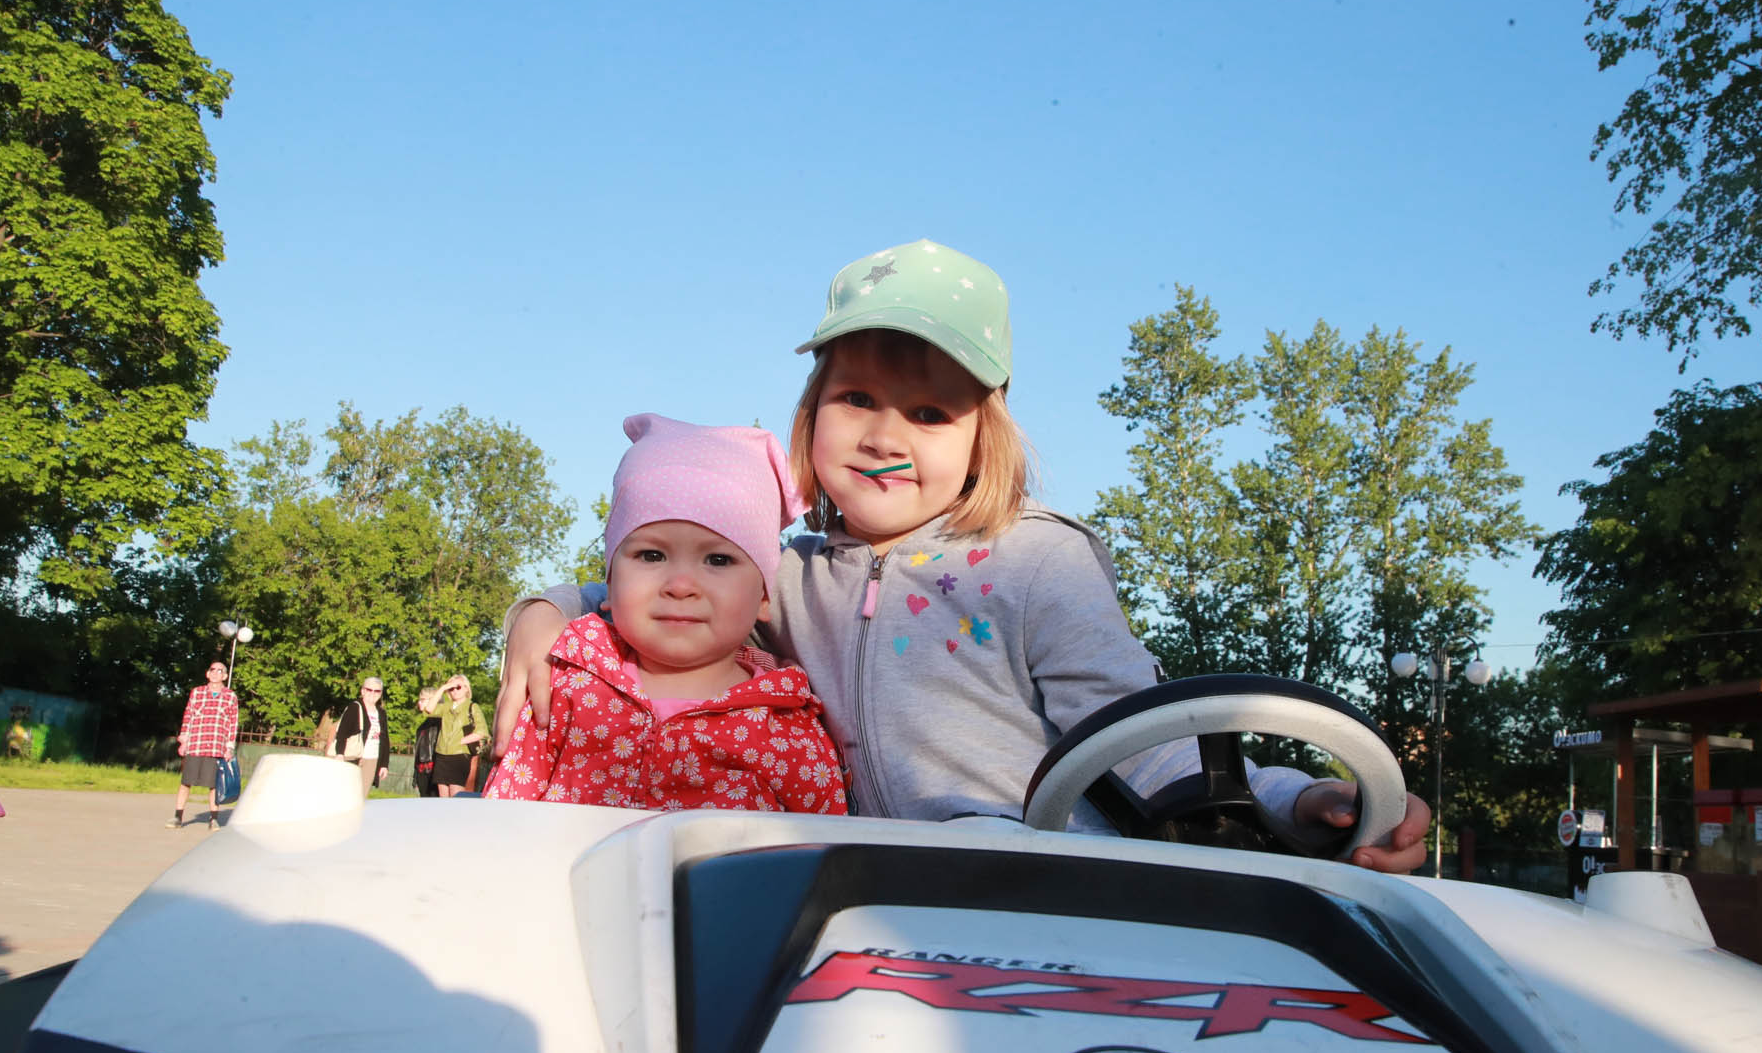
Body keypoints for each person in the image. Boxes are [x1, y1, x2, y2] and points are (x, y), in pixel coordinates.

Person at [498, 240, 1430, 867]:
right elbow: (654, 578)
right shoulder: (784, 575)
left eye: (929, 411)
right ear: (811, 415)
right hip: (870, 904)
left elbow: (1147, 742)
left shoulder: (1036, 563)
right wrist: (538, 612)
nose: (884, 434)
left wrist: (1291, 800)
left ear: (984, 437)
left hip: (1036, 883)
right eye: (856, 398)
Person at [485, 415, 847, 813]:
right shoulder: (565, 685)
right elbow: (501, 823)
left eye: (718, 560)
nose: (680, 585)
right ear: (610, 583)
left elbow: (824, 846)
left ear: (764, 596)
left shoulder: (787, 728)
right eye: (651, 555)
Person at [173, 659, 238, 828]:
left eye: (220, 670)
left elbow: (233, 723)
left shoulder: (230, 696)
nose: (215, 673)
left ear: (225, 676)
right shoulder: (197, 693)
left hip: (216, 746)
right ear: (207, 673)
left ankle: (213, 818)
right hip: (196, 744)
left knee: (214, 785)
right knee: (186, 782)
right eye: (212, 669)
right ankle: (177, 817)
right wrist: (184, 741)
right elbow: (188, 716)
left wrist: (229, 747)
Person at [420, 675, 489, 797]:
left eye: (458, 687)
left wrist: (461, 741)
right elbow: (428, 709)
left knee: (456, 796)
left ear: (466, 688)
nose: (455, 691)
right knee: (443, 798)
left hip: (459, 756)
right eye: (451, 688)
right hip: (442, 755)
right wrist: (443, 688)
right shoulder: (446, 706)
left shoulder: (472, 706)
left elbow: (482, 731)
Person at [327, 676, 392, 795]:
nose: (372, 693)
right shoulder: (354, 708)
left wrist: (384, 764)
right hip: (352, 757)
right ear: (363, 691)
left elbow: (385, 739)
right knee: (346, 793)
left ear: (380, 693)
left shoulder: (381, 712)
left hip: (372, 758)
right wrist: (340, 754)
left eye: (377, 691)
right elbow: (342, 733)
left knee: (362, 795)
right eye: (369, 689)